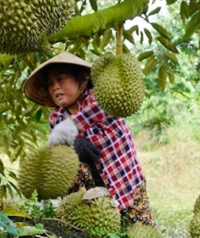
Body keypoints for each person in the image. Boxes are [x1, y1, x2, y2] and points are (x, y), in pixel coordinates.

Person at [23, 51, 155, 225]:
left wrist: (72, 127)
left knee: (140, 232)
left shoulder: (99, 97)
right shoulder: (56, 119)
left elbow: (101, 110)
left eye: (61, 78)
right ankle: (77, 218)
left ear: (81, 78)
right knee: (67, 164)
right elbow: (54, 156)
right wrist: (70, 145)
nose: (55, 87)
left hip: (124, 184)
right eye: (50, 83)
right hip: (91, 193)